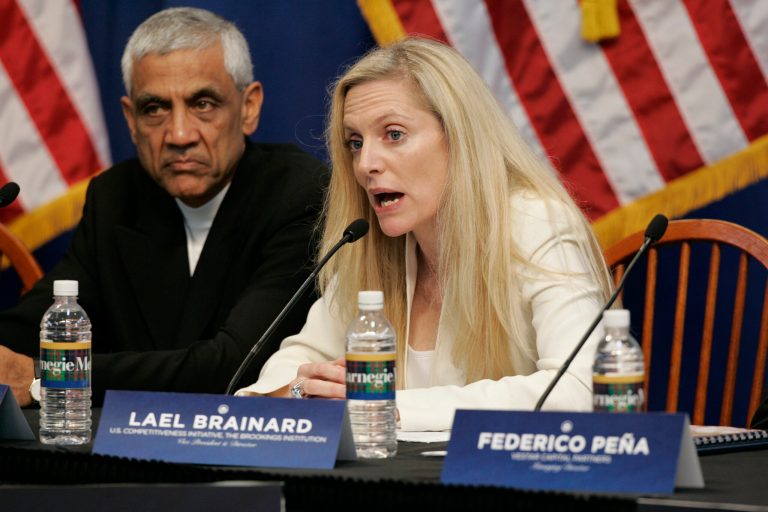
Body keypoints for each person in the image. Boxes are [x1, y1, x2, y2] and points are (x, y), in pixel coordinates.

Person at [236, 38, 613, 431]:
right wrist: (307, 391)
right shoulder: (370, 246)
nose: (366, 165)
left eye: (394, 135)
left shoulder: (535, 223)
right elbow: (285, 369)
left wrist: (389, 408)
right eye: (355, 142)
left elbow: (583, 389)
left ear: (460, 137)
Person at [0, 7, 327, 407]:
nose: (179, 134)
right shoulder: (116, 196)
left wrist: (45, 375)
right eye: (154, 108)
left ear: (249, 107)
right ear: (131, 120)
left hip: (248, 454)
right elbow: (36, 321)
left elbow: (231, 366)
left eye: (203, 103)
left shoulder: (297, 194)